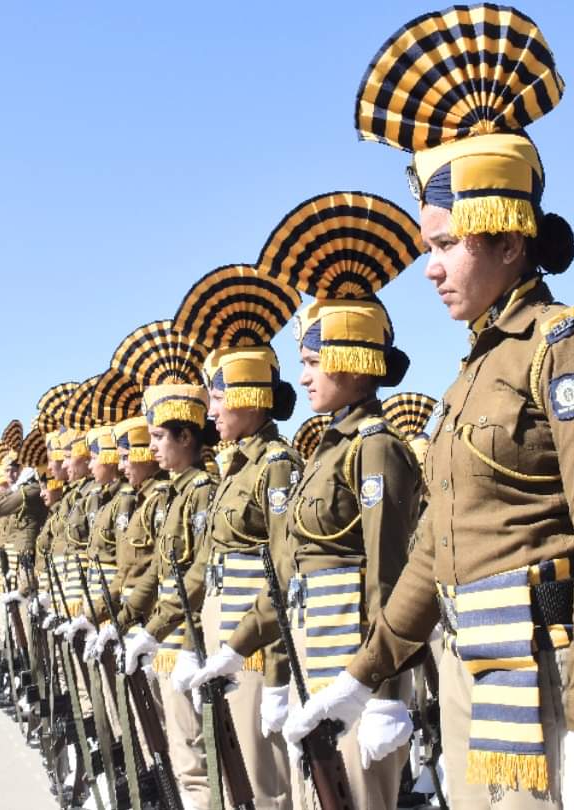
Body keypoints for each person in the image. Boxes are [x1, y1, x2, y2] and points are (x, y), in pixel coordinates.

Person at [286, 8, 574, 807]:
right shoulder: (472, 374)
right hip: (473, 668)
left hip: (547, 677)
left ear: (508, 241)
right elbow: (433, 551)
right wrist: (364, 675)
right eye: (428, 248)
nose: (431, 268)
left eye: (446, 245)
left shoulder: (568, 349)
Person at [192, 191, 425, 810]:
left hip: (354, 674)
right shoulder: (329, 451)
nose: (302, 377)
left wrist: (386, 695)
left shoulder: (375, 450)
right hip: (311, 662)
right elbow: (286, 569)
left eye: (312, 361)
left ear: (350, 357)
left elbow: (389, 577)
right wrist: (236, 648)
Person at [162, 265, 304, 810]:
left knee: (264, 783)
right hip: (223, 638)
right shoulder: (236, 470)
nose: (212, 411)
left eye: (218, 397)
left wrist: (278, 676)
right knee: (233, 774)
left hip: (257, 646)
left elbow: (284, 574)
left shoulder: (276, 465)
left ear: (246, 394)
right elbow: (207, 565)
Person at [111, 315, 228, 809]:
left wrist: (157, 631)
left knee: (193, 756)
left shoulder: (199, 492)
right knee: (173, 750)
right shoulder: (176, 495)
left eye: (160, 436)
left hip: (185, 639)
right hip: (165, 636)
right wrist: (124, 623)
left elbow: (196, 576)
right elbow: (158, 573)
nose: (151, 446)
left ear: (185, 436)